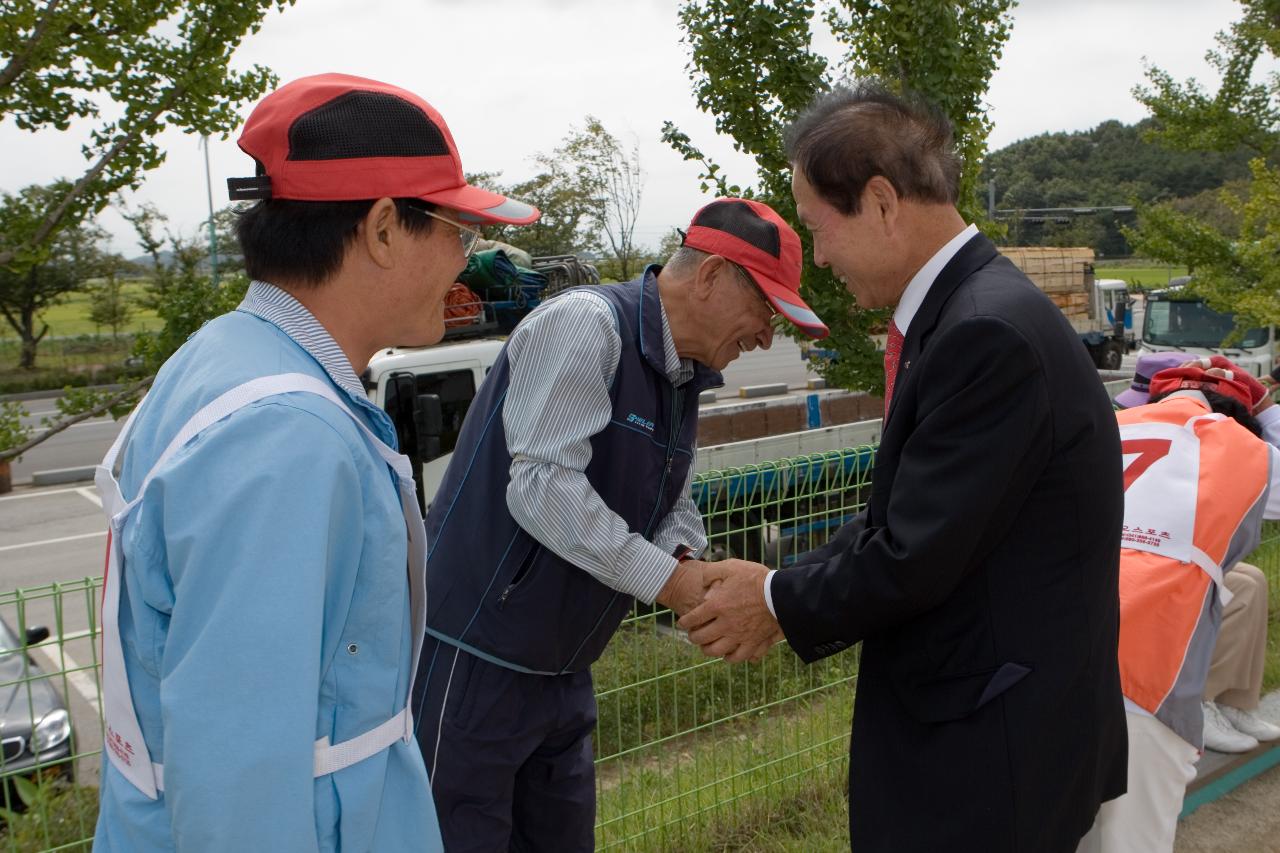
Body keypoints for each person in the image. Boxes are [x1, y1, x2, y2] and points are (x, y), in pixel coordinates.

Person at [92, 73, 538, 851]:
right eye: (454, 232)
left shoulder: (223, 359)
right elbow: (238, 785)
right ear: (383, 228)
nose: (463, 264)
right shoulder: (287, 435)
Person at [680, 80, 1128, 852]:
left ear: (883, 203)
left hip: (990, 755)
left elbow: (916, 554)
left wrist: (778, 599)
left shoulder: (984, 334)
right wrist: (779, 579)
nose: (818, 256)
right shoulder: (970, 313)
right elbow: (911, 513)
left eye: (821, 227)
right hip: (998, 731)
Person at [414, 197, 829, 851]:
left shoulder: (682, 377)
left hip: (565, 670)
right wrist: (669, 583)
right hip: (477, 661)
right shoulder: (586, 326)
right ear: (712, 277)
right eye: (765, 311)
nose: (763, 338)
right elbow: (542, 485)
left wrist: (690, 563)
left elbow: (671, 506)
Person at [1078, 358, 1280, 852]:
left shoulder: (1100, 429)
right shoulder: (1244, 449)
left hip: (1040, 665)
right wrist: (1269, 411)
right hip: (1148, 682)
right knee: (1134, 840)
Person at [1114, 353, 1280, 755]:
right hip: (1143, 608)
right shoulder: (1221, 447)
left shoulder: (1110, 427)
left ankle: (1230, 700)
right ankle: (1200, 703)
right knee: (1220, 585)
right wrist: (1268, 412)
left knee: (1249, 582)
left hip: (1098, 587)